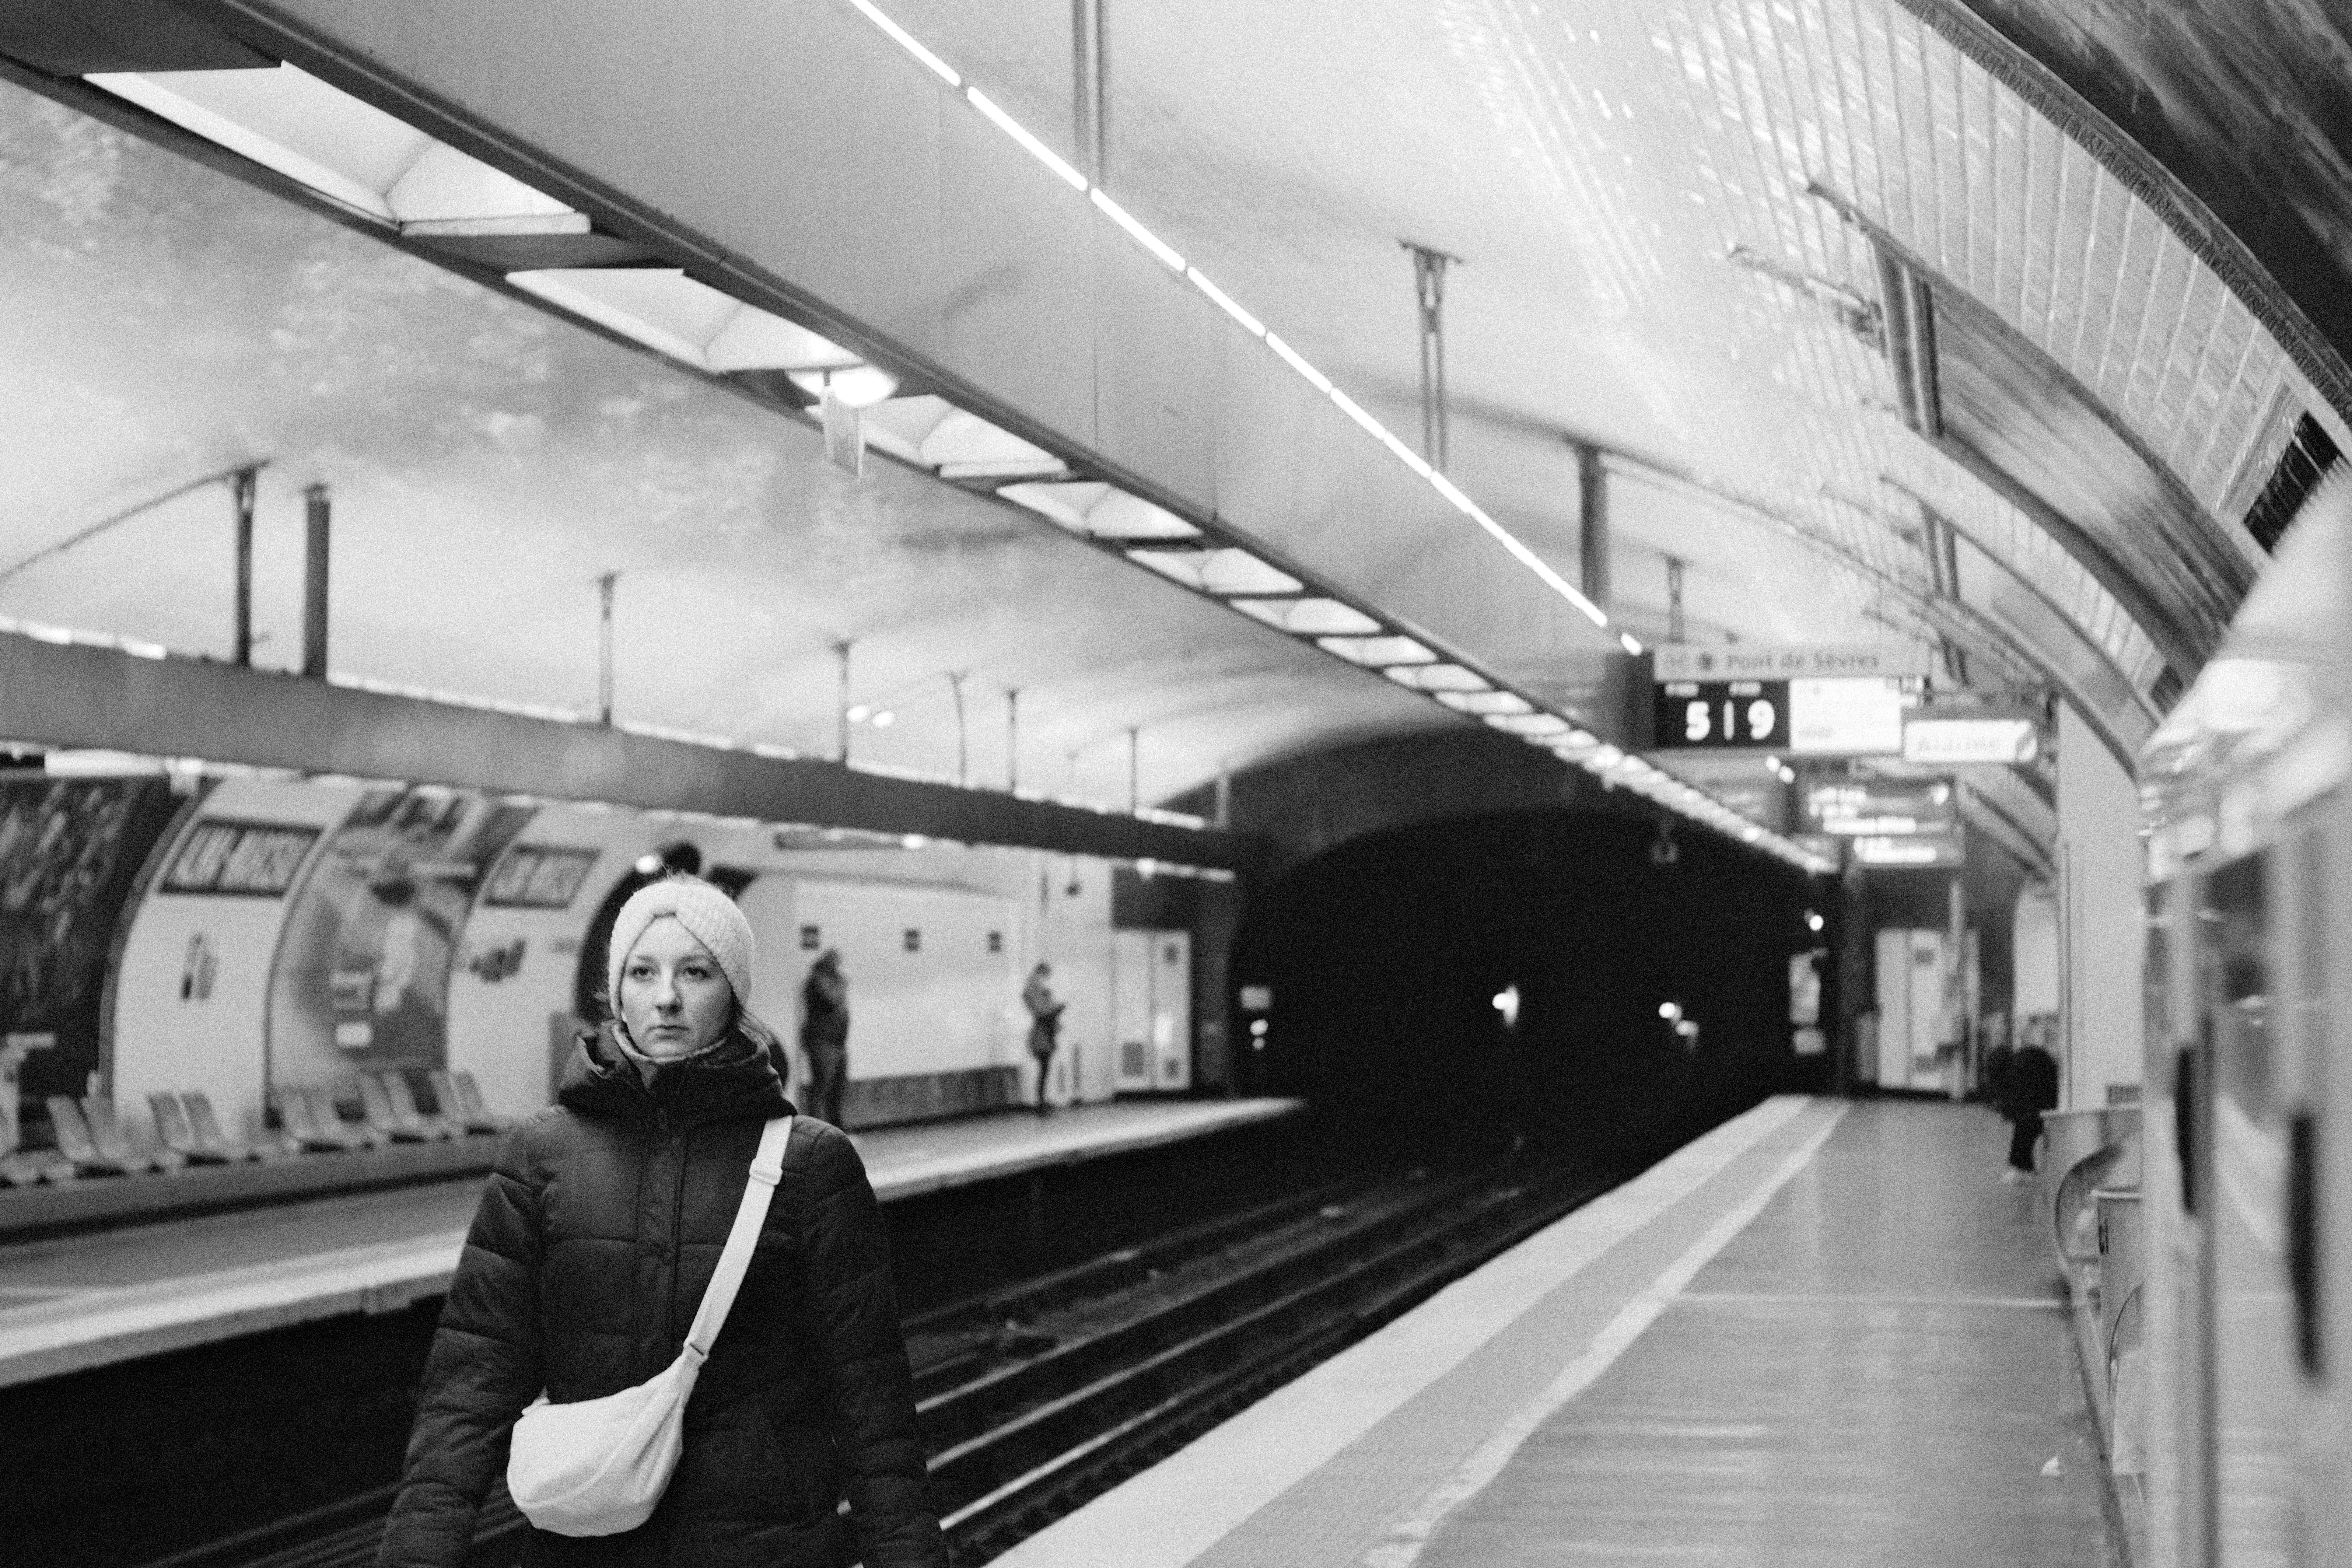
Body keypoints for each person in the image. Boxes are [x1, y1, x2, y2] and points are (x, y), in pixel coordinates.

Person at [376, 875, 947, 1568]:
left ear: (732, 992)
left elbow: (872, 1404)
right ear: (617, 992)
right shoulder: (542, 1156)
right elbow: (470, 1385)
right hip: (586, 1546)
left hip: (762, 1548)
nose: (667, 997)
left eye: (696, 972)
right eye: (643, 973)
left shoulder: (812, 1165)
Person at [2000, 1035, 2061, 1182]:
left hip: (2034, 1098)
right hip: (2038, 1097)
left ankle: (2021, 1168)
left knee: (2026, 1127)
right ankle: (2022, 1168)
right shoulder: (2035, 1062)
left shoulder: (2026, 1063)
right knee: (2029, 1127)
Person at [800, 947, 849, 1129]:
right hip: (823, 1042)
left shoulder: (831, 980)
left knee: (836, 1091)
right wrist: (842, 984)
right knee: (822, 1090)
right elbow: (832, 999)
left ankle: (838, 1132)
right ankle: (818, 1132)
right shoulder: (819, 980)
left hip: (837, 1043)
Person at [1022, 962, 1064, 1113]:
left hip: (1045, 1033)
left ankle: (1042, 1100)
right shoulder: (1033, 990)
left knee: (1045, 1069)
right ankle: (1040, 1102)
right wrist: (1055, 1010)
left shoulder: (1036, 990)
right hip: (1042, 1034)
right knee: (1043, 1069)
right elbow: (1043, 1011)